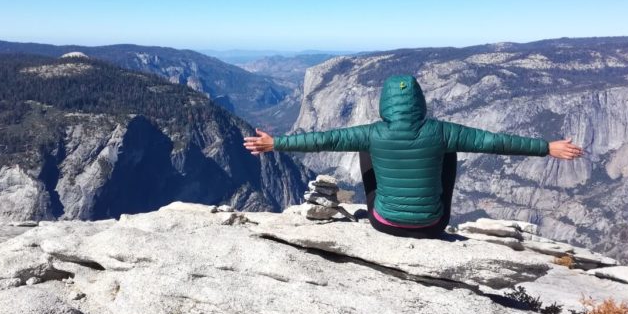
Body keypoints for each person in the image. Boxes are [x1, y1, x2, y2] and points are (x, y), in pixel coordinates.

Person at [243, 74, 583, 239]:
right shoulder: (442, 130)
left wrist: (275, 144)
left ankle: (390, 203)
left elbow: (324, 139)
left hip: (384, 223)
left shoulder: (373, 131)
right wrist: (547, 147)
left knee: (363, 145)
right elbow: (495, 142)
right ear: (420, 100)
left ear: (384, 103)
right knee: (449, 153)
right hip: (433, 225)